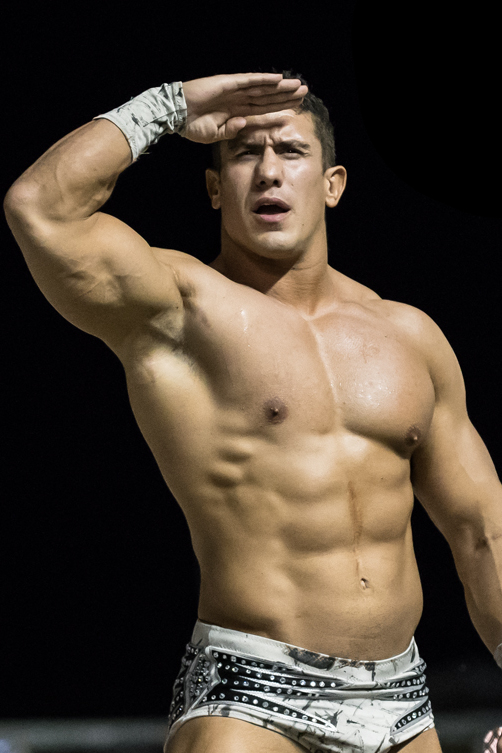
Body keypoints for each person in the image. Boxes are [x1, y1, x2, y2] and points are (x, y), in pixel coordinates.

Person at [4, 71, 502, 753]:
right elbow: (40, 207)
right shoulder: (180, 308)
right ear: (214, 188)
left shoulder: (410, 337)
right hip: (249, 695)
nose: (269, 171)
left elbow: (482, 528)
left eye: (292, 152)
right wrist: (170, 105)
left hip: (402, 703)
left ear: (333, 184)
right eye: (245, 154)